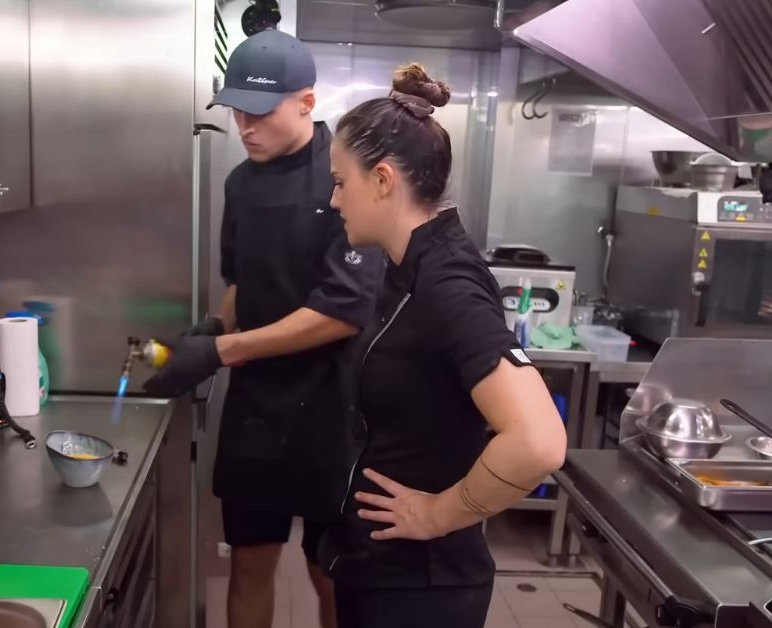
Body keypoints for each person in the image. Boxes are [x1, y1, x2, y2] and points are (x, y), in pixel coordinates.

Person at [144, 30, 383, 628]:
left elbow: (341, 310)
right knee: (250, 558)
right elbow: (241, 283)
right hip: (256, 405)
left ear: (305, 102)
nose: (244, 127)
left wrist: (222, 349)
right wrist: (208, 330)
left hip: (333, 404)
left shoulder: (343, 178)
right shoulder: (239, 184)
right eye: (235, 111)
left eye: (259, 112)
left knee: (328, 568)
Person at [319, 63, 568, 628]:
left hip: (421, 590)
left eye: (340, 181)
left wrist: (438, 513)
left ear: (383, 180)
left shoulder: (448, 282)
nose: (334, 201)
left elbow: (539, 441)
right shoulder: (408, 264)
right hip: (378, 567)